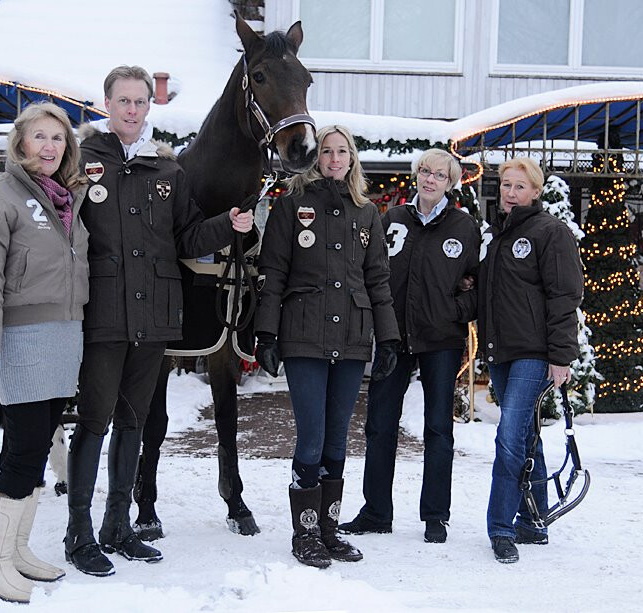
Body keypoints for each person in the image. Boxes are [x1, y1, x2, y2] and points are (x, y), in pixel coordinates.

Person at [64, 65, 254, 577]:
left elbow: (188, 237)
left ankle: (118, 526)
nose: (131, 110)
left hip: (155, 318)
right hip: (103, 316)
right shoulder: (81, 163)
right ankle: (79, 533)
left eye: (140, 102)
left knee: (134, 421)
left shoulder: (167, 172)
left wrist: (227, 224)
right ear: (107, 104)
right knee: (93, 423)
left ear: (151, 107)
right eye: (123, 101)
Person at [255, 125, 400, 568]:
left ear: (352, 158)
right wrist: (267, 334)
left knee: (338, 437)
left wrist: (388, 336)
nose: (334, 158)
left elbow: (377, 278)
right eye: (326, 151)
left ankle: (330, 528)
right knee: (312, 437)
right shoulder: (291, 206)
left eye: (342, 151)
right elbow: (273, 273)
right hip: (304, 335)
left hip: (353, 337)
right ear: (315, 157)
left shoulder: (367, 213)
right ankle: (307, 534)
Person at [0, 102, 89, 603]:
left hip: (63, 336)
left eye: (58, 139)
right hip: (21, 340)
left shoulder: (69, 200)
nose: (50, 147)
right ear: (21, 142)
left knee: (37, 451)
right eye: (41, 136)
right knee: (21, 454)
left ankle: (18, 552)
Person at [338, 149, 480, 544]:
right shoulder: (393, 219)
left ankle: (435, 515)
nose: (430, 179)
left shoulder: (464, 227)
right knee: (379, 425)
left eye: (439, 175)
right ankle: (376, 511)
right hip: (394, 337)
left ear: (451, 183)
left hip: (441, 340)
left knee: (438, 428)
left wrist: (455, 309)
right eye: (425, 172)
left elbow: (479, 284)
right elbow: (370, 270)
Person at [480, 156, 583, 563]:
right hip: (500, 352)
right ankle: (533, 518)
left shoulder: (550, 232)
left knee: (508, 437)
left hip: (534, 353)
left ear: (536, 191)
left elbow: (564, 297)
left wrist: (560, 356)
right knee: (524, 436)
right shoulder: (496, 234)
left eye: (520, 186)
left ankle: (501, 527)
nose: (511, 192)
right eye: (506, 185)